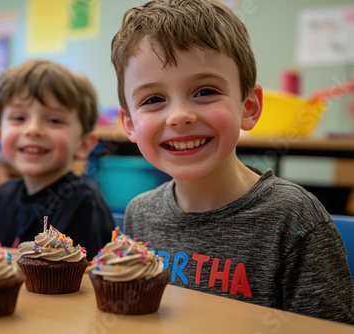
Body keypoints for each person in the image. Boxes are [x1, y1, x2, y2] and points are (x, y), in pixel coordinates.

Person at [113, 0, 354, 324]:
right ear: (129, 123)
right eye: (153, 99)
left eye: (205, 91)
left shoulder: (294, 218)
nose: (180, 116)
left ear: (249, 107)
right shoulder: (139, 215)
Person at [0, 59, 115, 258]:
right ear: (0, 134)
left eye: (54, 120)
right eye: (19, 118)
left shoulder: (82, 200)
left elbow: (74, 275)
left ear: (83, 145)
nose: (33, 130)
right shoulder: (3, 195)